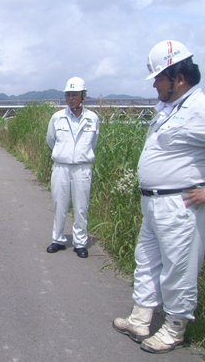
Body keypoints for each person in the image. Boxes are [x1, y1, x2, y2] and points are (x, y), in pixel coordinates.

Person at [113, 40, 205, 354]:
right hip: (153, 203)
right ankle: (140, 317)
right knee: (147, 261)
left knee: (178, 268)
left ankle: (175, 329)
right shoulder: (169, 109)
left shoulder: (199, 109)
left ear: (178, 78)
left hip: (180, 205)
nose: (154, 84)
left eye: (158, 78)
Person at [46, 77, 100, 258]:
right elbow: (51, 140)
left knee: (81, 206)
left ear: (83, 95)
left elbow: (94, 142)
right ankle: (58, 239)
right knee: (59, 204)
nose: (70, 98)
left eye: (74, 94)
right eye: (68, 94)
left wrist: (80, 156)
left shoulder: (92, 118)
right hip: (61, 166)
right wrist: (64, 153)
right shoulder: (57, 117)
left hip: (82, 167)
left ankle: (80, 242)